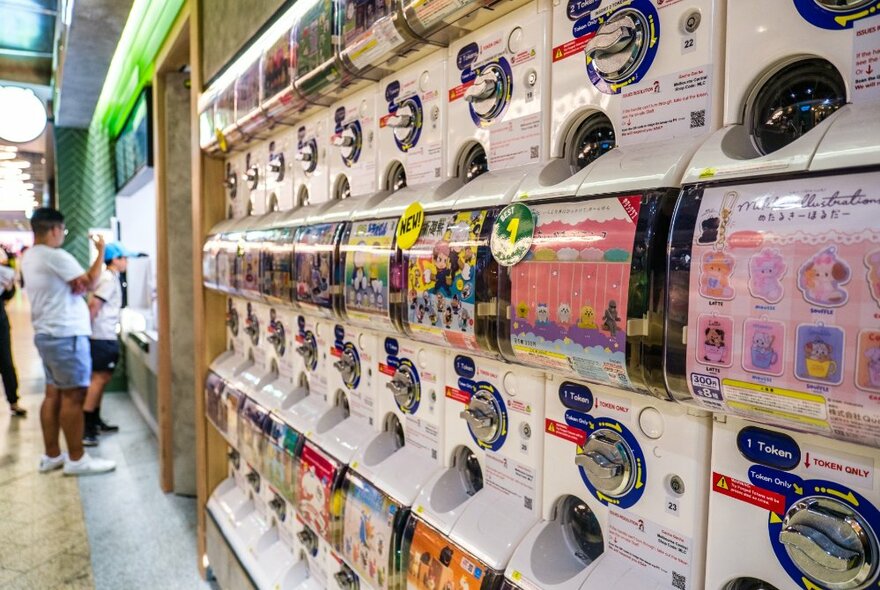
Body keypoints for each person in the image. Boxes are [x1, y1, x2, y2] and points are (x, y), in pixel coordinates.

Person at [20, 208, 116, 475]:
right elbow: (89, 282)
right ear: (54, 229)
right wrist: (100, 252)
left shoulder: (30, 256)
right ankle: (77, 459)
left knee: (53, 395)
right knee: (74, 396)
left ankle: (52, 454)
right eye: (63, 230)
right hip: (65, 335)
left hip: (47, 333)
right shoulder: (55, 256)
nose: (62, 235)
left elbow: (75, 286)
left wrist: (78, 284)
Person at [83, 242, 133, 446]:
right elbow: (94, 306)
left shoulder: (111, 278)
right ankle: (87, 428)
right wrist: (86, 333)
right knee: (98, 379)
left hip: (104, 336)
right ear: (115, 260)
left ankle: (95, 421)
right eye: (124, 258)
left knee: (102, 380)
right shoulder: (108, 279)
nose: (126, 262)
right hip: (101, 337)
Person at [0, 249, 25, 417]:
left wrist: (8, 287)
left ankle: (13, 400)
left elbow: (8, 295)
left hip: (0, 322)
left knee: (6, 362)